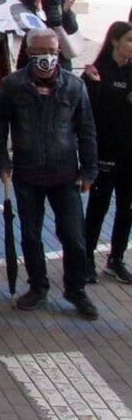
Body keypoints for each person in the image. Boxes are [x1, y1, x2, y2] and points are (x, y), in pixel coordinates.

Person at [0, 28, 99, 320]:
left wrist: (89, 169)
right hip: (27, 173)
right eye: (40, 52)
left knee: (75, 237)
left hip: (65, 174)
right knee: (30, 236)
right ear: (28, 52)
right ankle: (38, 286)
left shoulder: (75, 87)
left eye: (51, 51)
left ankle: (75, 288)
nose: (47, 58)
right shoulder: (11, 85)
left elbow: (87, 129)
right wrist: (2, 161)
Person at [83, 21, 132, 284]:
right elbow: (86, 112)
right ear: (115, 41)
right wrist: (93, 85)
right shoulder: (97, 72)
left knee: (127, 208)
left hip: (129, 154)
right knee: (98, 206)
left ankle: (116, 258)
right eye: (129, 41)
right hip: (105, 152)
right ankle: (86, 257)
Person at [19, 0, 80, 71]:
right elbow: (24, 26)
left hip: (57, 51)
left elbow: (71, 28)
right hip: (34, 49)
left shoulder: (60, 1)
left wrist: (66, 12)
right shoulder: (26, 1)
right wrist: (37, 11)